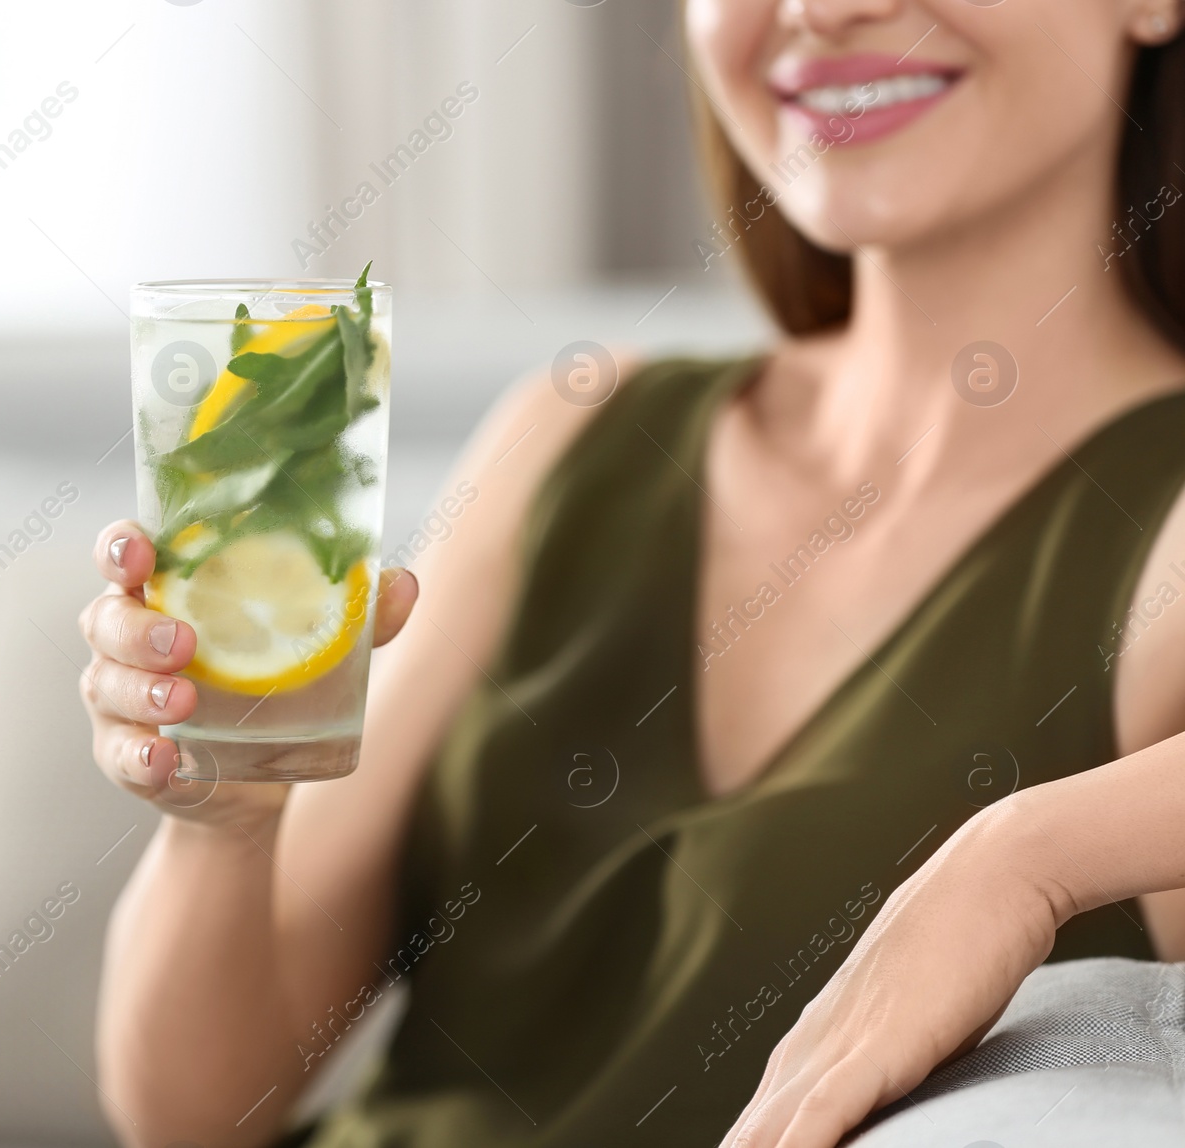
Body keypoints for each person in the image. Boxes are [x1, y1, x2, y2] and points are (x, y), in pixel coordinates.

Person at [78, 1, 1185, 1145]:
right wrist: (223, 816)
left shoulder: (1160, 528)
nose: (821, 8)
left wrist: (1025, 858)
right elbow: (192, 1112)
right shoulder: (579, 428)